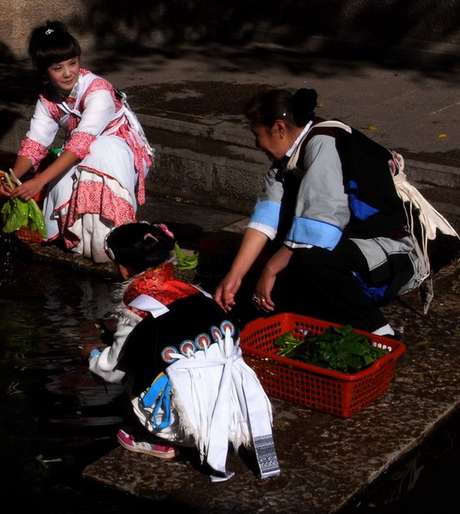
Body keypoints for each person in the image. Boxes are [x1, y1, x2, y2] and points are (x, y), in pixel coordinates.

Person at [214, 88, 417, 336]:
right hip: (348, 244)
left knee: (310, 256)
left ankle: (380, 331)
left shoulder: (324, 143)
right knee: (281, 266)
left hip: (386, 250)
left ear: (279, 128)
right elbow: (266, 218)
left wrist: (269, 269)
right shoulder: (285, 161)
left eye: (257, 134)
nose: (257, 144)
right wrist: (234, 276)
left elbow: (318, 227)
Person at [85, 222, 278, 481]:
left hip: (194, 426)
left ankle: (160, 439)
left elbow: (111, 371)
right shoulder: (198, 293)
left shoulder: (138, 309)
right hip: (240, 411)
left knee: (130, 369)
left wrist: (91, 354)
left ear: (122, 268)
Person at [1, 21, 153, 261]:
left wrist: (39, 181)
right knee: (62, 183)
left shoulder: (98, 91)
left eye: (72, 63)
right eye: (57, 68)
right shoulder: (47, 99)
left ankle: (116, 241)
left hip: (118, 154)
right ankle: (85, 244)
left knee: (100, 150)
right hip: (82, 153)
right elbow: (35, 144)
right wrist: (13, 177)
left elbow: (81, 143)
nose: (68, 72)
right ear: (44, 72)